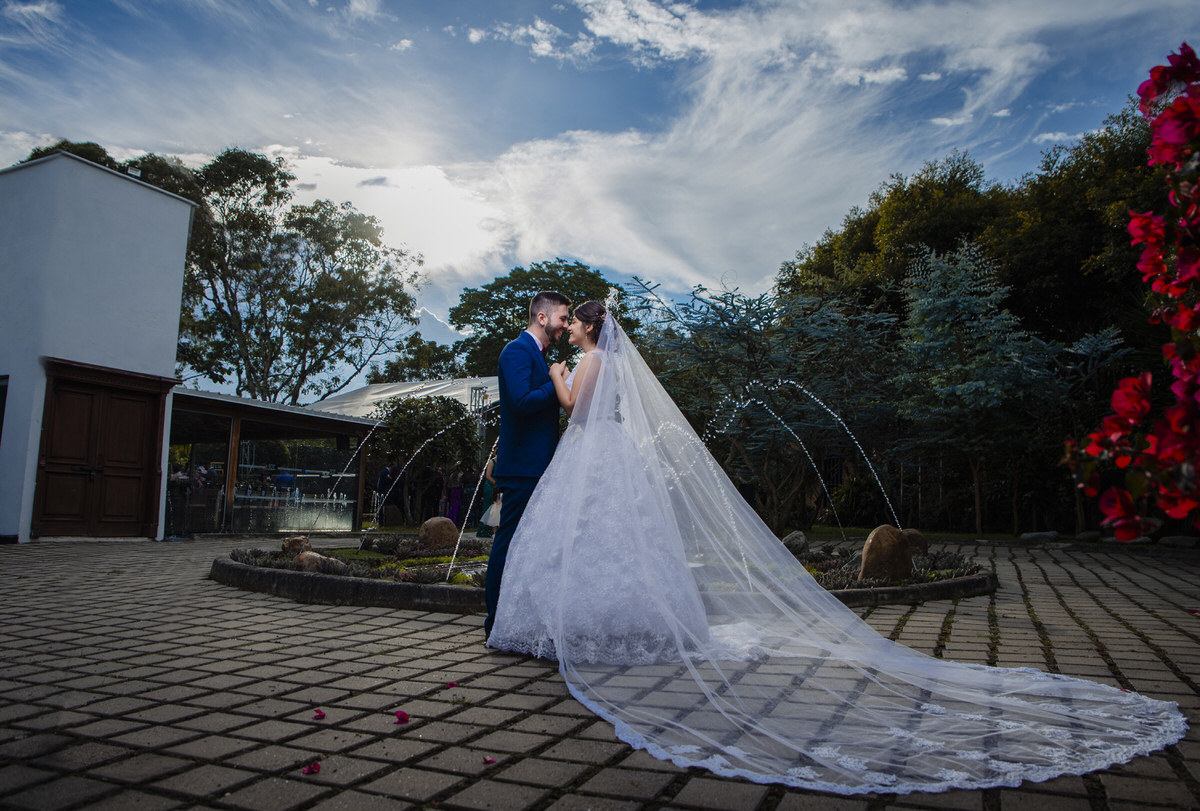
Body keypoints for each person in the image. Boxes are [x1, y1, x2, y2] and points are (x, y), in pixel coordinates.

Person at [487, 301, 1187, 795]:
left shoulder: (587, 364)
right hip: (609, 462)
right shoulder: (604, 359)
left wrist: (555, 375)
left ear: (585, 326)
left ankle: (584, 623)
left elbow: (575, 406)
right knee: (613, 542)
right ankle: (621, 617)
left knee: (589, 539)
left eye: (573, 321)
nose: (567, 328)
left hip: (591, 456)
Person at [484, 290, 570, 640]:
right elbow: (520, 402)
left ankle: (519, 621)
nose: (566, 325)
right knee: (508, 544)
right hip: (522, 468)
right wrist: (556, 381)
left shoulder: (538, 354)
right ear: (542, 317)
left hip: (540, 467)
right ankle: (495, 624)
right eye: (563, 318)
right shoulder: (517, 351)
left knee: (531, 546)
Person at [476, 456, 497, 538]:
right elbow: (488, 476)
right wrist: (496, 484)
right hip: (490, 487)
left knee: (496, 508)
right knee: (488, 506)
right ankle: (484, 530)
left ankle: (494, 529)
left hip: (498, 487)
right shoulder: (492, 462)